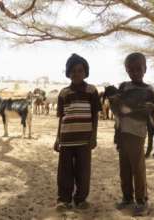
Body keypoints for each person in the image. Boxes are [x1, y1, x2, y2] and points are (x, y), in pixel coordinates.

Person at [115, 52, 154, 216]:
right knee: (124, 168)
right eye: (131, 69)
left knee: (138, 168)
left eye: (138, 69)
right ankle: (127, 198)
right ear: (126, 70)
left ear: (145, 69)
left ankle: (141, 201)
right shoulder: (123, 86)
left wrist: (151, 107)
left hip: (137, 133)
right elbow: (117, 104)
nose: (135, 72)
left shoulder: (149, 90)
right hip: (122, 132)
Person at [54, 53, 102, 211]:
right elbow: (61, 118)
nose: (76, 73)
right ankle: (64, 199)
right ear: (68, 73)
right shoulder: (64, 93)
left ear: (85, 72)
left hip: (84, 140)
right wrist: (57, 139)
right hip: (66, 139)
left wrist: (93, 137)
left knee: (83, 171)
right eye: (73, 70)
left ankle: (81, 199)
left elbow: (95, 116)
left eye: (80, 70)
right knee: (64, 171)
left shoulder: (92, 91)